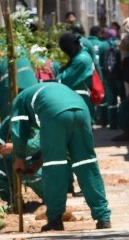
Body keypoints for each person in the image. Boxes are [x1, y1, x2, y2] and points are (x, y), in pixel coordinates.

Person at [10, 83, 111, 231]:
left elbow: (18, 132)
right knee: (87, 163)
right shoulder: (46, 89)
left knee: (54, 168)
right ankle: (103, 217)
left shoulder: (19, 100)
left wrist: (19, 158)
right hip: (82, 111)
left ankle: (55, 219)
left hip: (54, 114)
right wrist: (39, 162)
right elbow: (64, 147)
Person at [57, 31, 96, 109]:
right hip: (80, 101)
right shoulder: (81, 55)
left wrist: (59, 73)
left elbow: (64, 80)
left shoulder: (81, 60)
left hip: (81, 103)